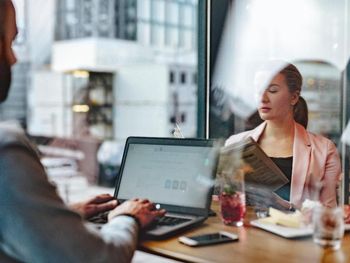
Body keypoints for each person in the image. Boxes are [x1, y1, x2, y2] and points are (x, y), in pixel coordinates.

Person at [0, 1, 165, 262]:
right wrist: (127, 217)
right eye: (8, 42)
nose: (13, 58)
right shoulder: (5, 148)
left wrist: (59, 215)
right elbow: (97, 258)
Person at [226, 62, 341, 208]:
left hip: (296, 229)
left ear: (294, 97)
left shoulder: (324, 150)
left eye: (272, 90)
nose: (263, 98)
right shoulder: (234, 144)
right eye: (258, 91)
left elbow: (328, 211)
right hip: (246, 228)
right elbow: (223, 201)